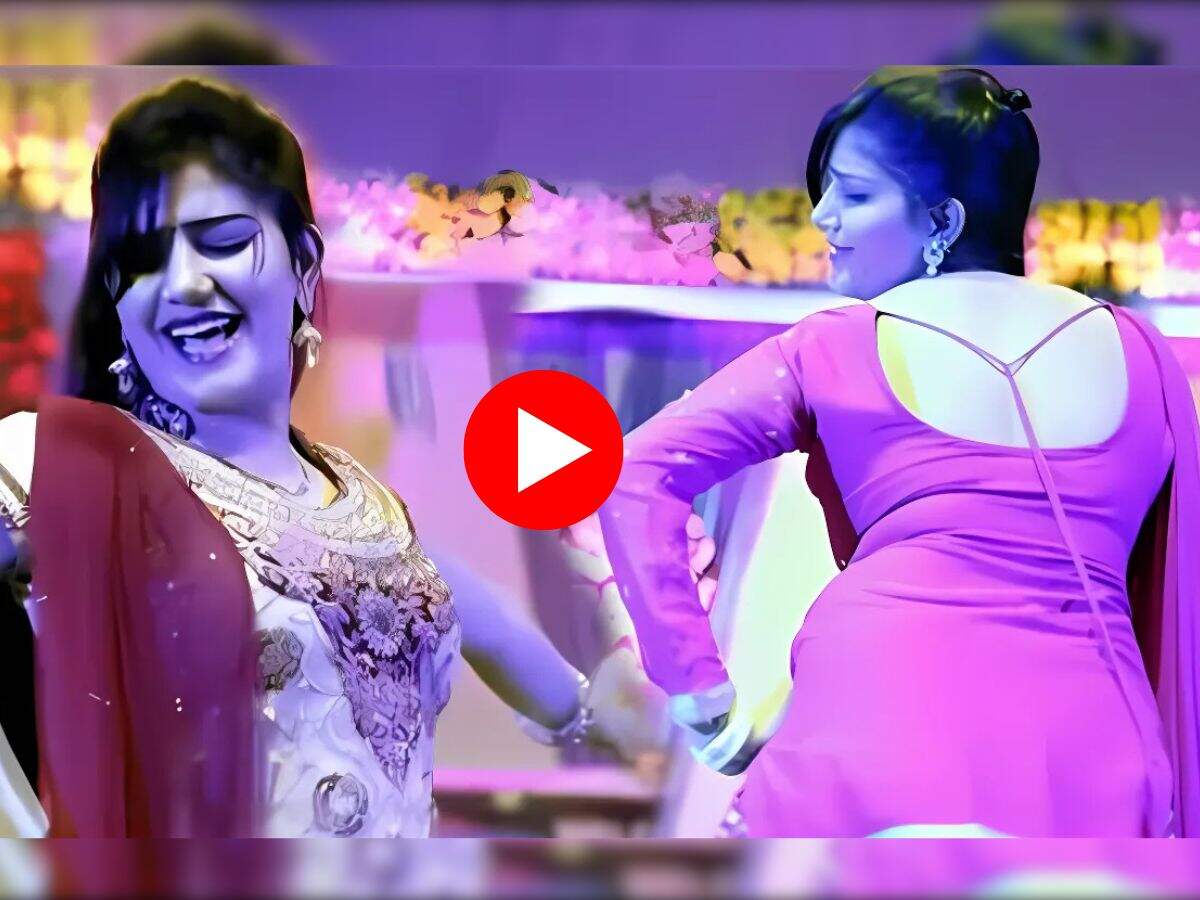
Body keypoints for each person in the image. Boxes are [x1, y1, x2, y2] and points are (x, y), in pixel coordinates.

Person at [0, 77, 659, 838]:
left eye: (222, 241)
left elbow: (481, 618)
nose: (182, 284)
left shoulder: (362, 500)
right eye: (142, 259)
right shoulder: (72, 465)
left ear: (304, 264)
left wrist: (615, 713)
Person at [598, 66, 1200, 837]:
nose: (822, 215)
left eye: (853, 194)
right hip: (1094, 744)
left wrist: (699, 690)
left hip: (875, 727)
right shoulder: (1142, 355)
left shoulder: (835, 347)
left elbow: (636, 472)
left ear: (942, 219)